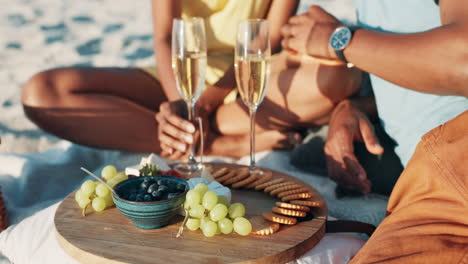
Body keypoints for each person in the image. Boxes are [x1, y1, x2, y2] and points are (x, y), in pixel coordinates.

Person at [21, 0, 362, 159]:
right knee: (43, 92)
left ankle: (205, 128)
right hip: (177, 74)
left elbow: (264, 40)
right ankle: (214, 144)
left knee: (335, 79)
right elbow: (165, 37)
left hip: (246, 76)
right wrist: (182, 102)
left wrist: (211, 98)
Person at [281, 0, 468, 263]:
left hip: (451, 176)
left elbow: (462, 58)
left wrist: (338, 40)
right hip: (426, 181)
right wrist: (355, 108)